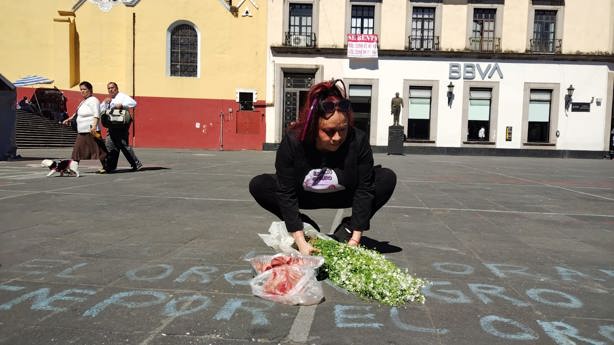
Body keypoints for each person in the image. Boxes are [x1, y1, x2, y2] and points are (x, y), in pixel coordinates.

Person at [249, 79, 397, 255]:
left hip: (344, 194)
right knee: (259, 184)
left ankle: (347, 228)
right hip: (305, 195)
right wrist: (300, 240)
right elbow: (285, 192)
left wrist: (355, 239)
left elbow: (364, 190)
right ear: (313, 127)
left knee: (386, 178)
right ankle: (305, 225)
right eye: (329, 131)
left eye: (342, 129)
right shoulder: (293, 141)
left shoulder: (358, 140)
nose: (337, 137)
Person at [61, 81, 107, 171]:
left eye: (84, 89)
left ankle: (107, 166)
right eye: (81, 89)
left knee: (99, 149)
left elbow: (96, 114)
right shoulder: (83, 101)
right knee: (77, 150)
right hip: (82, 130)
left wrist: (94, 126)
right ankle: (72, 167)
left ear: (90, 90)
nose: (82, 91)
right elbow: (77, 113)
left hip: (91, 130)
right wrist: (69, 119)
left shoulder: (94, 100)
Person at [99, 82, 142, 173]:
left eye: (112, 87)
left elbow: (134, 103)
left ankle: (136, 163)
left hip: (121, 124)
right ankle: (111, 166)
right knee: (110, 144)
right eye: (109, 88)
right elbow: (101, 109)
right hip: (111, 124)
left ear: (117, 88)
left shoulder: (122, 96)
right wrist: (105, 103)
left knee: (123, 144)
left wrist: (122, 105)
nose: (111, 90)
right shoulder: (108, 99)